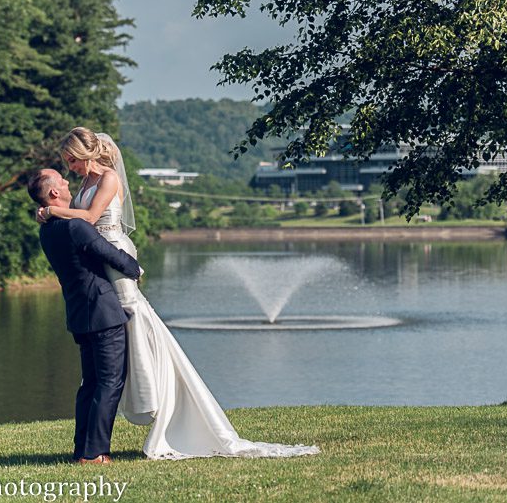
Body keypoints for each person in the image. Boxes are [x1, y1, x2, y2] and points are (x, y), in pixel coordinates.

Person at [38, 127, 320, 460]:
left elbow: (88, 218)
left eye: (71, 160)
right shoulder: (84, 183)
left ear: (83, 155)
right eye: (67, 164)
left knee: (130, 319)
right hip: (100, 260)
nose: (69, 168)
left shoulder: (108, 178)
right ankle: (141, 401)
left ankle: (156, 399)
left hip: (115, 255)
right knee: (112, 351)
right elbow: (81, 226)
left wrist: (54, 211)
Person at [28, 168, 142, 465]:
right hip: (103, 311)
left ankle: (83, 449)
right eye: (62, 181)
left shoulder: (47, 230)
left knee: (90, 384)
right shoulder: (75, 227)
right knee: (109, 382)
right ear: (54, 193)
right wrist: (135, 268)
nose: (67, 182)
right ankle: (94, 454)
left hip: (79, 312)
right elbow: (105, 251)